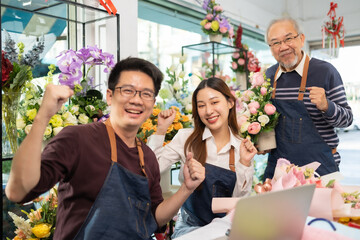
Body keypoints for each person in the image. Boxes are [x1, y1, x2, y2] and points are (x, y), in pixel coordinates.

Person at [5, 57, 205, 240]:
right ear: (109, 96)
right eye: (127, 90)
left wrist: (187, 189)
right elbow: (18, 192)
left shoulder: (148, 157)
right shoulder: (78, 138)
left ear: (153, 103)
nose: (136, 99)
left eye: (146, 94)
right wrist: (42, 117)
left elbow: (155, 218)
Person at [147, 77, 257, 238]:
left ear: (230, 103)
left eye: (214, 102)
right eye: (201, 105)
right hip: (189, 228)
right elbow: (151, 169)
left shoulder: (243, 147)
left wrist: (244, 163)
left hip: (226, 230)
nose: (208, 111)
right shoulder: (186, 138)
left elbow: (238, 203)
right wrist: (161, 130)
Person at [263, 17, 353, 179]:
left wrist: (327, 106)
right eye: (275, 43)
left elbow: (347, 119)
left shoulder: (325, 71)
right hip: (280, 170)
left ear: (301, 39)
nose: (283, 47)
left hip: (320, 168)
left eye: (288, 38)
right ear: (271, 48)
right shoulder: (269, 76)